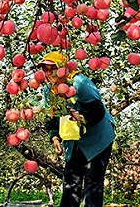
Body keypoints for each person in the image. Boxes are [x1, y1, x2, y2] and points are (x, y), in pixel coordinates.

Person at [39, 51, 115, 207]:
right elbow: (52, 118)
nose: (48, 73)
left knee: (93, 182)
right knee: (70, 182)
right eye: (45, 69)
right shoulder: (49, 91)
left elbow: (97, 110)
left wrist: (82, 117)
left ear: (62, 67)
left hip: (98, 137)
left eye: (52, 68)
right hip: (74, 140)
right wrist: (55, 137)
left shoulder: (79, 82)